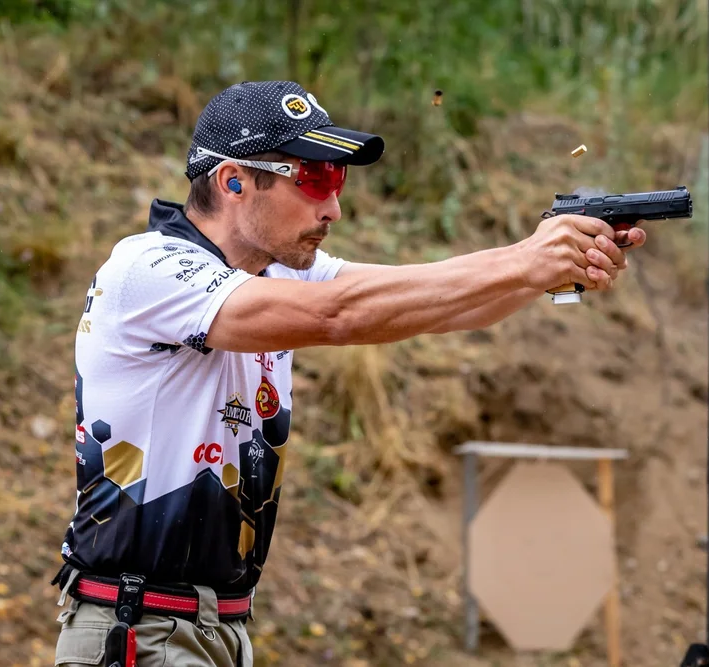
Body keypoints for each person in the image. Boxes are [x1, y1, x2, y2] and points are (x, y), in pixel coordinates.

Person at [50, 80, 645, 666]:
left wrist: (544, 269)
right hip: (139, 626)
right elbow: (337, 314)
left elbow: (444, 304)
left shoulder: (280, 273)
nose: (333, 206)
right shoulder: (148, 266)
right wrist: (525, 260)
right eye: (314, 178)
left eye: (337, 179)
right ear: (233, 181)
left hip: (215, 627)